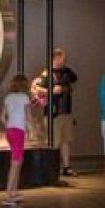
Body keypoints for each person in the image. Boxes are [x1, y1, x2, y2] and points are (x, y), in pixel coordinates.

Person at [32, 48, 78, 177]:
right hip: (53, 113)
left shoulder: (67, 72)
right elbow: (36, 89)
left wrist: (64, 88)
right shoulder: (46, 74)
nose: (62, 61)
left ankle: (66, 167)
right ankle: (53, 167)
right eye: (60, 58)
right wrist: (51, 91)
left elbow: (73, 82)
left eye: (63, 58)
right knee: (54, 141)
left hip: (66, 111)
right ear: (54, 58)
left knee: (66, 140)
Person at [1, 73, 31, 204]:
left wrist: (9, 125)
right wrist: (32, 130)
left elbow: (3, 117)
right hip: (19, 130)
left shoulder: (8, 97)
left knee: (18, 159)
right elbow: (28, 117)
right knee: (15, 162)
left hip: (10, 130)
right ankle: (8, 194)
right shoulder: (25, 98)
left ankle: (13, 191)